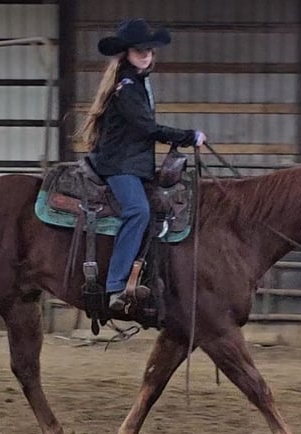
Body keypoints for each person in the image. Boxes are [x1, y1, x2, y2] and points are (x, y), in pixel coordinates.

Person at [77, 18, 206, 312]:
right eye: (139, 50)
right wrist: (188, 136)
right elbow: (147, 128)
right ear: (126, 53)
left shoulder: (136, 83)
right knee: (138, 210)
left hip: (131, 164)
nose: (146, 54)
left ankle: (149, 276)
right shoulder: (127, 87)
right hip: (118, 165)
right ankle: (115, 285)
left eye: (149, 49)